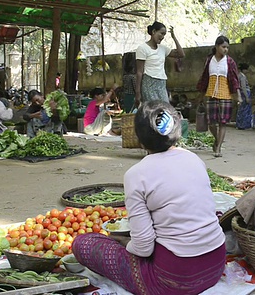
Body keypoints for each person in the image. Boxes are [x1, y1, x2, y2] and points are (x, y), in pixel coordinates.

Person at [72, 101, 226, 295]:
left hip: (174, 280)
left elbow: (143, 248)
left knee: (83, 244)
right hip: (215, 266)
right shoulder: (194, 159)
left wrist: (124, 243)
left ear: (140, 138)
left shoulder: (136, 174)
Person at [197, 36, 243, 157]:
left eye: (227, 47)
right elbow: (204, 79)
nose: (226, 49)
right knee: (211, 123)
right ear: (217, 47)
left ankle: (218, 148)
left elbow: (234, 79)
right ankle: (217, 139)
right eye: (223, 47)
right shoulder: (209, 60)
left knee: (223, 122)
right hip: (211, 94)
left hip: (225, 95)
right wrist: (201, 95)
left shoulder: (229, 61)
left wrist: (238, 95)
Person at [135, 21, 185, 105]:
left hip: (161, 83)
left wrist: (174, 37)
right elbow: (139, 72)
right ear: (154, 31)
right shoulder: (142, 48)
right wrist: (138, 92)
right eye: (161, 33)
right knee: (153, 110)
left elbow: (181, 54)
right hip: (148, 83)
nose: (162, 37)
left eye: (164, 35)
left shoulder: (163, 49)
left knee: (165, 108)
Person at [236, 62, 252, 130]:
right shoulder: (242, 77)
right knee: (245, 110)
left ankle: (240, 124)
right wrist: (247, 97)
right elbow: (243, 87)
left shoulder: (239, 75)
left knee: (241, 110)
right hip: (244, 94)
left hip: (241, 94)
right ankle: (244, 125)